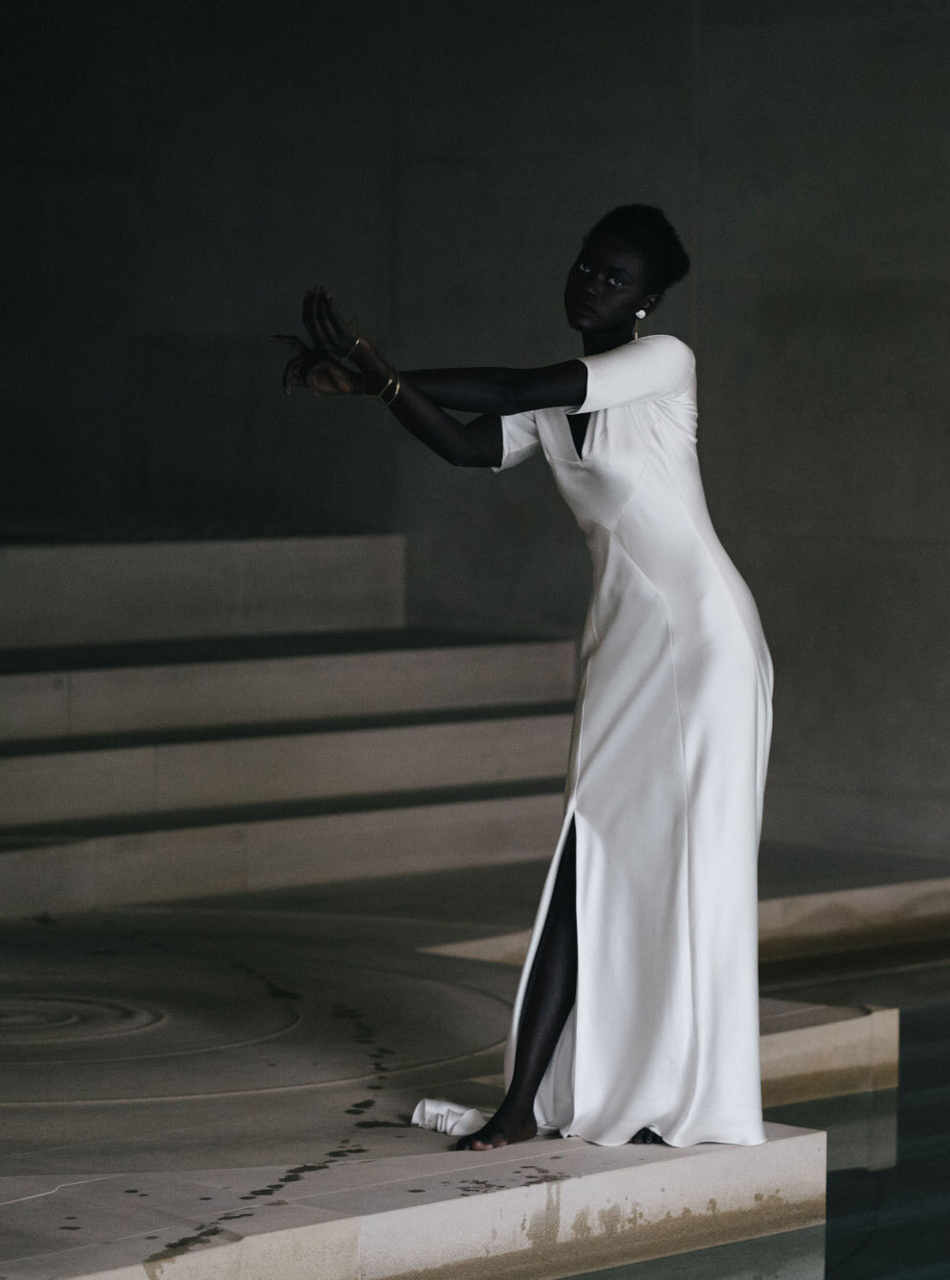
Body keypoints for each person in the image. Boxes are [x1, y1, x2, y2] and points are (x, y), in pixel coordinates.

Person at [279, 205, 770, 1151]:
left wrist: (374, 369)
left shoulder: (662, 363)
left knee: (678, 865)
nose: (595, 283)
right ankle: (529, 1100)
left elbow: (512, 384)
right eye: (590, 265)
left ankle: (641, 1093)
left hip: (705, 644)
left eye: (617, 278)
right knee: (587, 855)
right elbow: (469, 442)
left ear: (648, 301)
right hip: (628, 645)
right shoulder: (557, 407)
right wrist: (370, 387)